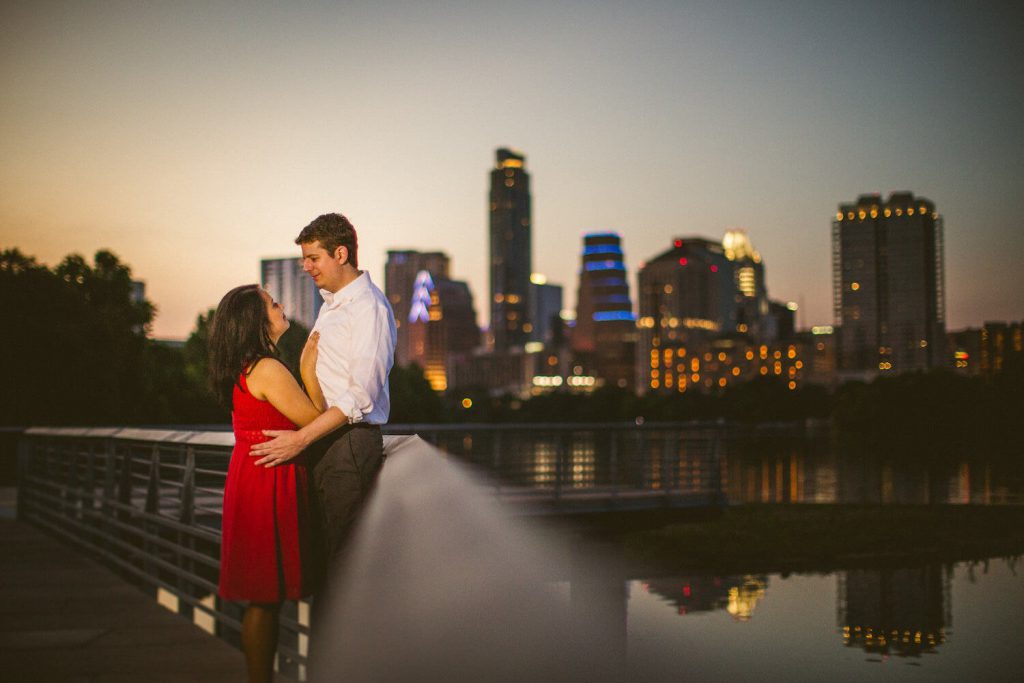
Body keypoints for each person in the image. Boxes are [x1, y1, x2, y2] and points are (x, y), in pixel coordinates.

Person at [249, 213, 397, 629]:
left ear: (341, 253)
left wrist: (299, 441)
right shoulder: (335, 307)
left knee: (344, 571)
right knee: (327, 570)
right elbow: (327, 391)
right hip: (328, 442)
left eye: (313, 258)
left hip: (348, 445)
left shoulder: (367, 308)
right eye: (304, 259)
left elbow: (360, 398)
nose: (306, 267)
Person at [208, 284, 326, 683]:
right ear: (257, 320)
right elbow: (316, 421)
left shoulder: (248, 368)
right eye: (272, 304)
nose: (281, 306)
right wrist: (309, 370)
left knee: (264, 599)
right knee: (264, 599)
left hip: (254, 477)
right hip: (267, 483)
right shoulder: (268, 369)